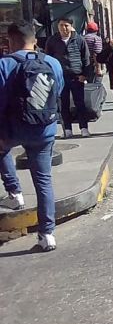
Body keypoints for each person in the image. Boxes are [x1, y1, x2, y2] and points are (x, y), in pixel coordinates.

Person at [0, 22, 63, 251]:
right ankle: (47, 235)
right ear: (34, 40)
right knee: (43, 180)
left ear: (10, 41)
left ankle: (14, 192)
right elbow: (58, 91)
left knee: (3, 151)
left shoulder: (4, 64)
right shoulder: (52, 63)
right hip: (45, 130)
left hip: (13, 130)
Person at [45, 18, 92, 138]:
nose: (63, 28)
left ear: (71, 26)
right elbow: (48, 58)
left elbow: (86, 58)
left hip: (77, 76)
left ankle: (84, 128)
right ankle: (67, 129)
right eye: (61, 25)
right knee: (63, 103)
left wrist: (85, 75)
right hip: (60, 76)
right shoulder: (52, 40)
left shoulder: (79, 40)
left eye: (66, 25)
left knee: (79, 103)